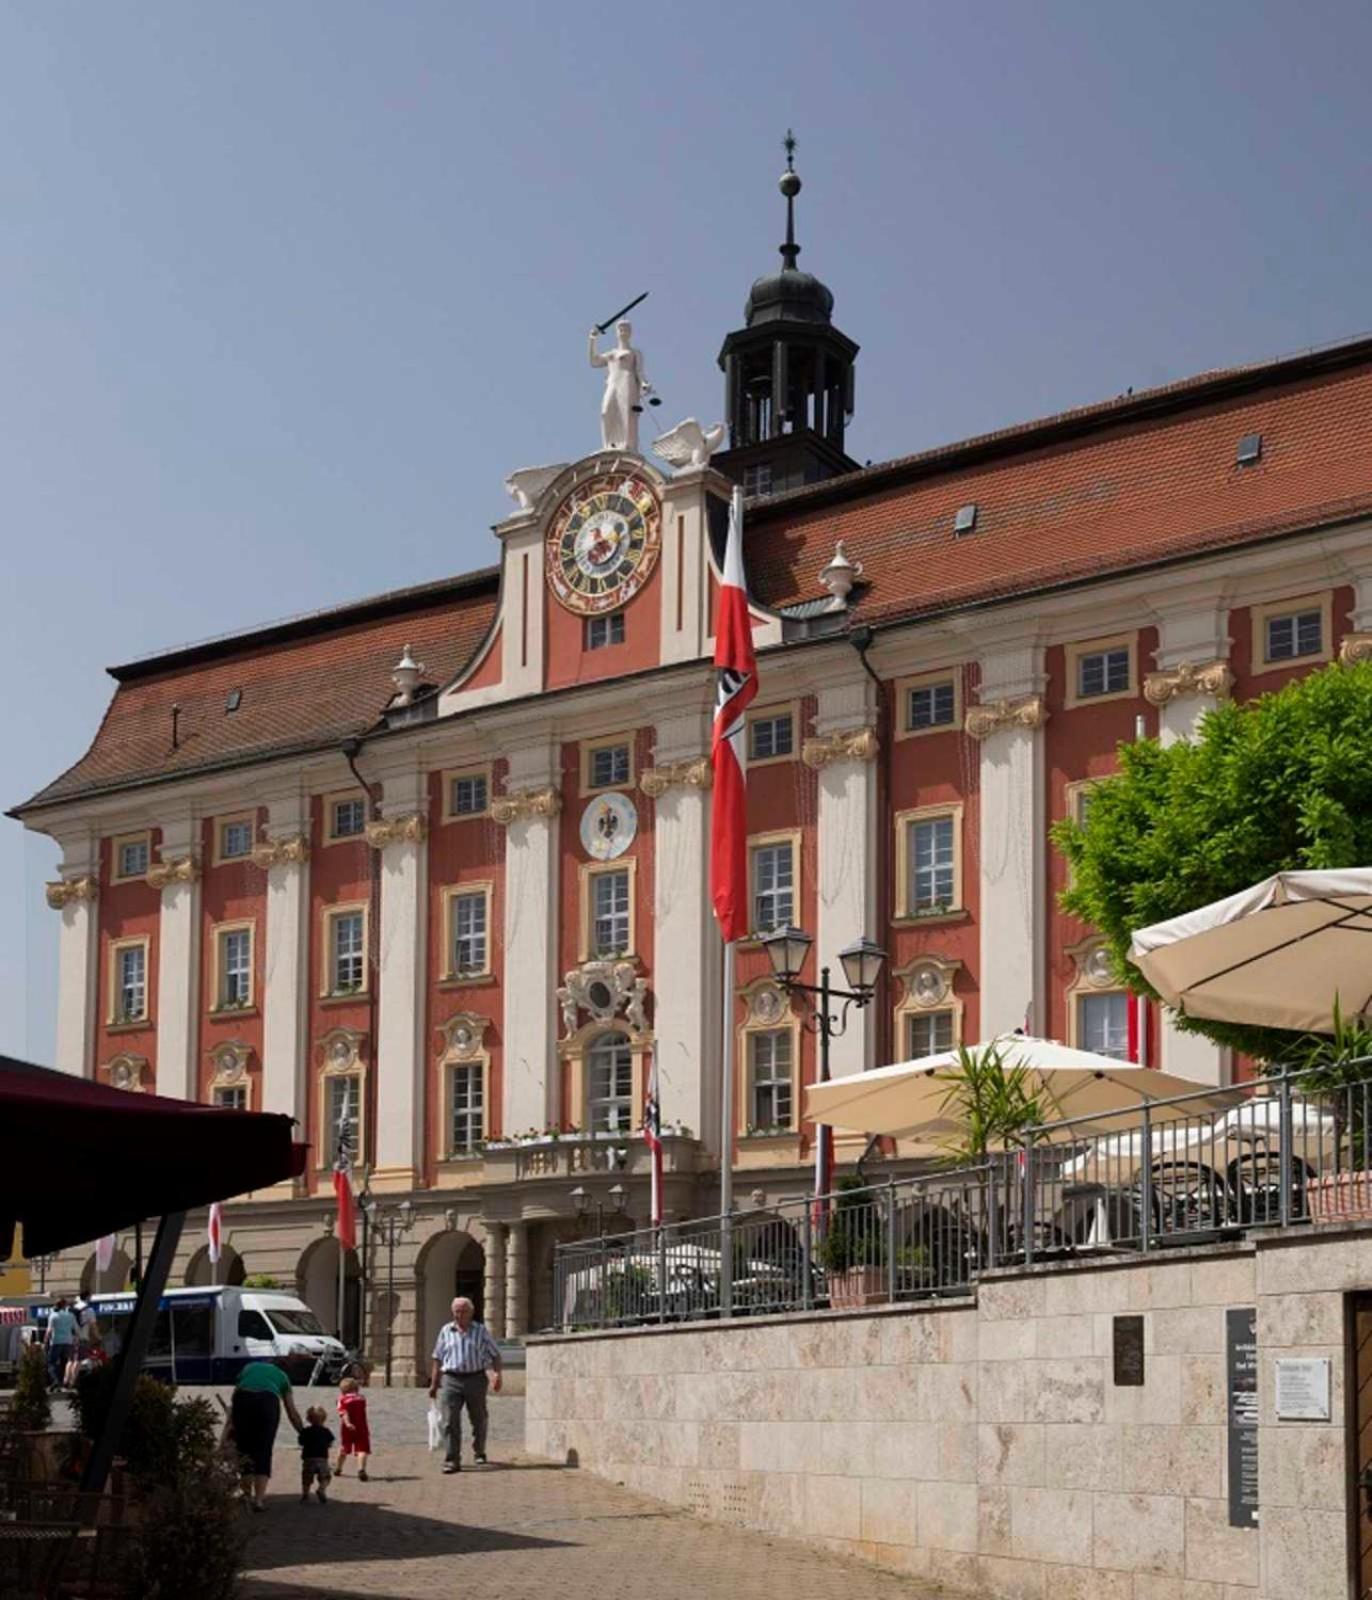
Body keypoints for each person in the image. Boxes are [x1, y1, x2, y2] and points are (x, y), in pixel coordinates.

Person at [428, 1296, 502, 1474]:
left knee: (479, 1418)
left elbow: (495, 1354)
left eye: (463, 1311)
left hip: (475, 1378)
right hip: (451, 1379)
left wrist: (497, 1375)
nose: (459, 1315)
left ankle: (479, 1450)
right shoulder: (446, 1330)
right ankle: (452, 1459)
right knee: (449, 1420)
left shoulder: (481, 1330)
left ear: (471, 1313)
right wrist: (434, 1383)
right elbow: (437, 1358)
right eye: (456, 1312)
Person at [229, 1360, 304, 1511]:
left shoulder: (249, 1367)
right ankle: (258, 1500)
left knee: (244, 1449)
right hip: (267, 1402)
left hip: (242, 1400)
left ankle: (246, 1496)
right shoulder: (283, 1376)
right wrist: (303, 1433)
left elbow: (235, 1394)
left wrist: (230, 1424)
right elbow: (291, 1411)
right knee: (263, 1450)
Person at [334, 1376, 371, 1482]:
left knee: (344, 1447)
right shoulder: (362, 1398)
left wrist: (347, 1423)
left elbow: (343, 1413)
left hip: (347, 1428)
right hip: (362, 1427)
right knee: (362, 1449)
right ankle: (361, 1469)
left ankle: (338, 1468)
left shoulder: (342, 1399)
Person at [297, 1407, 335, 1505]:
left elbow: (301, 1442)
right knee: (325, 1477)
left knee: (306, 1478)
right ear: (324, 1419)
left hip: (308, 1458)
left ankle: (305, 1494)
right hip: (322, 1458)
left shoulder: (305, 1431)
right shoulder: (326, 1431)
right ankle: (321, 1489)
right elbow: (330, 1443)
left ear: (308, 1419)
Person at [44, 1298, 78, 1391]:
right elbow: (76, 1329)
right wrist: (77, 1339)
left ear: (56, 1306)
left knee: (51, 1362)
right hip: (68, 1342)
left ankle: (56, 1381)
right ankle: (64, 1382)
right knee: (65, 1362)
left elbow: (49, 1330)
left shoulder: (53, 1316)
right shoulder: (71, 1315)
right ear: (65, 1306)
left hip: (56, 1342)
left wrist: (45, 1341)